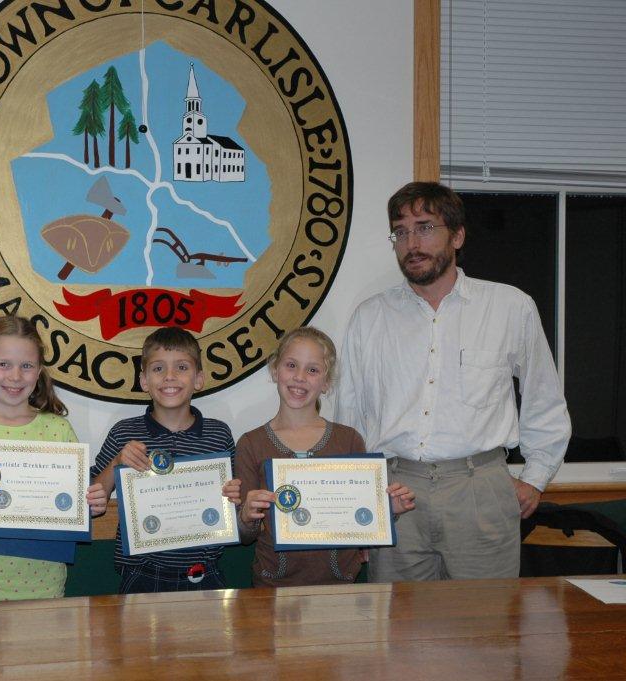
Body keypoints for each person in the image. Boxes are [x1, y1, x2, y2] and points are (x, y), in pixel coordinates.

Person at [336, 181, 571, 582]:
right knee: (399, 620)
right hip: (395, 492)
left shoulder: (510, 307)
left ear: (457, 236)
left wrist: (535, 478)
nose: (412, 243)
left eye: (425, 228)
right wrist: (359, 504)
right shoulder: (370, 317)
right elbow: (350, 418)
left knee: (485, 618)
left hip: (480, 490)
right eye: (401, 232)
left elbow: (544, 399)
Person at [0, 316, 108, 602]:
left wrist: (93, 502)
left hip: (45, 589)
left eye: (26, 366)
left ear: (38, 371)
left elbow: (77, 508)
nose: (15, 376)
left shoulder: (58, 430)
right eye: (4, 364)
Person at [226, 327, 415, 588]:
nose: (300, 377)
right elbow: (245, 535)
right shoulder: (251, 443)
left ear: (326, 383)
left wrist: (388, 510)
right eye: (291, 365)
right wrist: (247, 515)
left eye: (313, 370)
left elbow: (364, 522)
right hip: (272, 586)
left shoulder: (349, 440)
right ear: (275, 370)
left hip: (340, 585)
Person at [91, 327, 236, 593]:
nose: (170, 376)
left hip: (205, 573)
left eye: (182, 367)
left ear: (198, 379)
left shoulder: (219, 434)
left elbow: (234, 502)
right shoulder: (124, 433)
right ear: (144, 380)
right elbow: (90, 502)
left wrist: (235, 495)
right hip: (142, 575)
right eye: (158, 368)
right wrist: (117, 462)